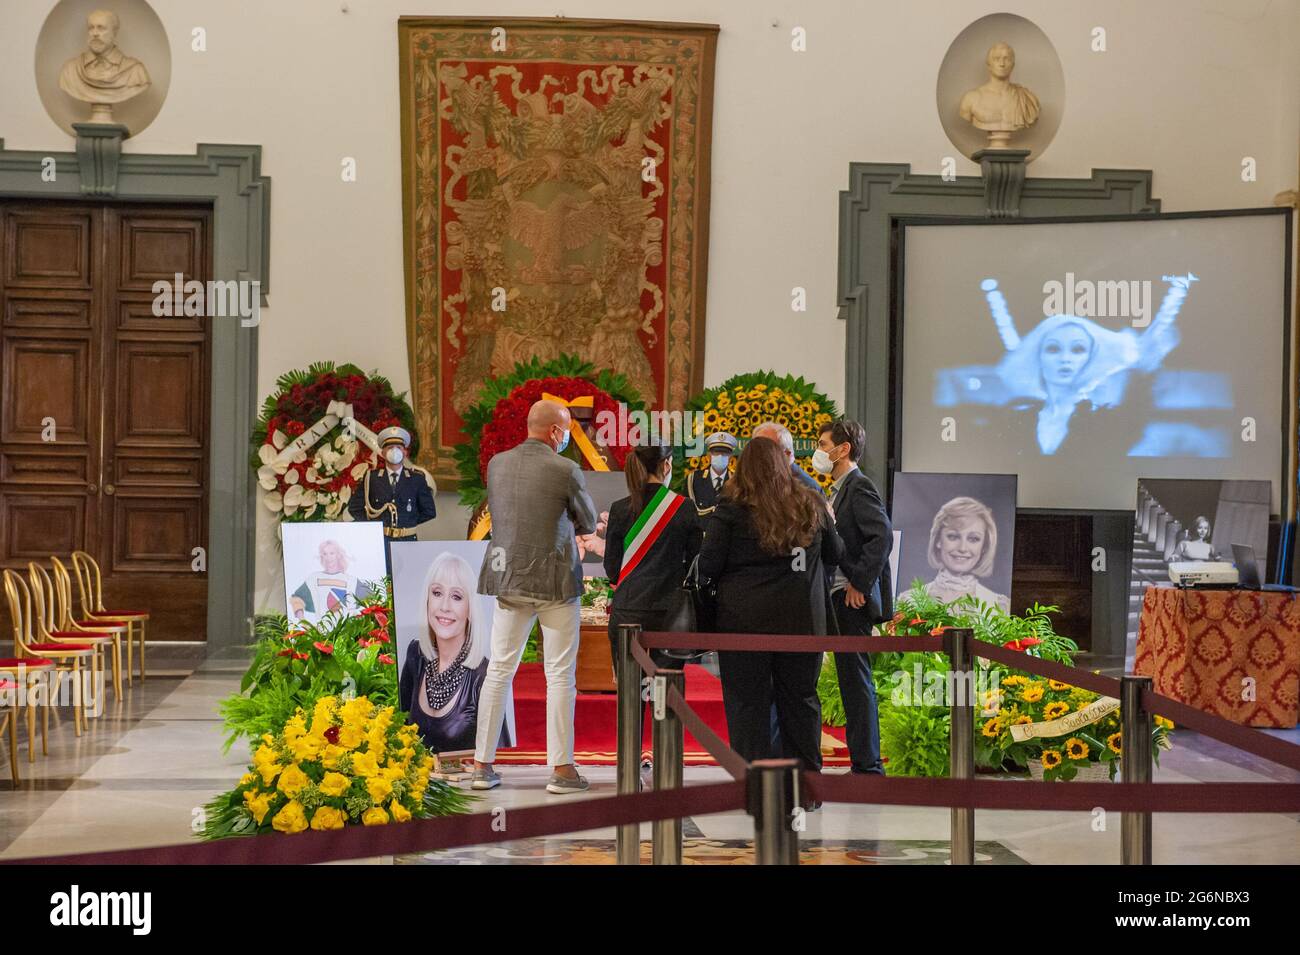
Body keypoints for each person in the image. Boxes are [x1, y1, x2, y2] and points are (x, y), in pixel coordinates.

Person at [471, 400, 598, 795]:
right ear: (557, 433)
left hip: (508, 578)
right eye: (566, 432)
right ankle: (561, 771)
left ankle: (481, 767)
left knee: (499, 671)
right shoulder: (565, 469)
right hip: (555, 581)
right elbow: (589, 521)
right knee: (559, 675)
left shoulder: (497, 465)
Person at [698, 437, 843, 774]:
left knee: (748, 704)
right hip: (802, 621)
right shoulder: (811, 502)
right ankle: (806, 785)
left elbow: (708, 566)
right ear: (784, 463)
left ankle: (753, 781)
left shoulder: (731, 507)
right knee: (801, 700)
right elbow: (837, 554)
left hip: (743, 622)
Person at [813, 419, 892, 775]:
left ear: (842, 449)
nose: (818, 451)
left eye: (822, 443)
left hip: (852, 600)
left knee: (857, 680)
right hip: (834, 595)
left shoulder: (859, 487)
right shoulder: (838, 489)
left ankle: (868, 765)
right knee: (849, 678)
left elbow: (881, 537)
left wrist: (860, 582)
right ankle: (863, 761)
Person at [603, 443, 702, 674]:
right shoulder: (685, 508)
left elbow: (611, 567)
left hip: (627, 609)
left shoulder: (619, 509)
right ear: (666, 465)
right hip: (670, 612)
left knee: (630, 694)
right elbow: (695, 561)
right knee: (665, 691)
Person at [398, 551, 507, 754]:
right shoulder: (416, 655)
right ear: (427, 600)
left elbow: (500, 757)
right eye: (437, 593)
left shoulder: (484, 676)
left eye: (456, 597)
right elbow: (400, 730)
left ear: (470, 609)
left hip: (466, 783)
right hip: (417, 781)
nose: (445, 606)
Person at [348, 426, 437, 564]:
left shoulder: (416, 479)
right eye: (390, 448)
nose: (394, 451)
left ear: (405, 452)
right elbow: (354, 508)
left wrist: (408, 521)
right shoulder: (372, 478)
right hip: (380, 542)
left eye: (399, 447)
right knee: (383, 582)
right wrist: (372, 527)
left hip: (408, 541)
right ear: (383, 452)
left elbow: (429, 511)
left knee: (406, 581)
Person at [923, 497, 1010, 612]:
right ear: (938, 540)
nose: (962, 548)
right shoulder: (907, 601)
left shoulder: (999, 606)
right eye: (953, 537)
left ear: (984, 546)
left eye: (973, 539)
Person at [289, 538, 374, 623]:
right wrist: (303, 622)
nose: (328, 557)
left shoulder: (352, 581)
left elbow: (373, 600)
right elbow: (296, 599)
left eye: (332, 553)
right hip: (322, 632)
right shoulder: (314, 579)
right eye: (325, 554)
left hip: (347, 632)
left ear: (338, 555)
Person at [752, 421, 822, 493]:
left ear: (787, 453)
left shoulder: (807, 488)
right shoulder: (752, 477)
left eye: (767, 448)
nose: (758, 453)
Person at [686, 431, 738, 515]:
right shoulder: (694, 479)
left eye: (725, 453)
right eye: (716, 452)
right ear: (709, 455)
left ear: (731, 456)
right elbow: (688, 513)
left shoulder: (737, 481)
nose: (720, 456)